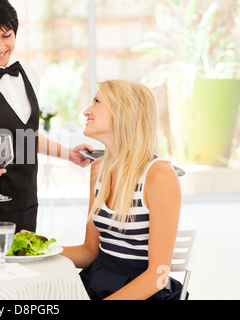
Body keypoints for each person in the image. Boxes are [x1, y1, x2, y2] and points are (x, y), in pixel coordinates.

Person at [0, 0, 92, 244]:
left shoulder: (29, 75)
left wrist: (70, 154)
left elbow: (26, 138)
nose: (1, 46)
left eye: (7, 35)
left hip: (25, 202)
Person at [61, 79, 184, 300]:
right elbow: (90, 252)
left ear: (123, 112)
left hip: (142, 292)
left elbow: (158, 275)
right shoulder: (99, 168)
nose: (87, 111)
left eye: (97, 102)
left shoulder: (159, 175)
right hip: (96, 283)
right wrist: (37, 249)